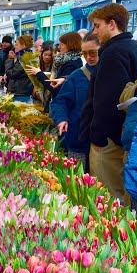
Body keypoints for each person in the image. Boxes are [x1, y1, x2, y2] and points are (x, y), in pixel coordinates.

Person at [80, 3, 137, 205]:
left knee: (107, 199)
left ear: (112, 24)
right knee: (121, 195)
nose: (95, 31)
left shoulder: (113, 52)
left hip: (109, 139)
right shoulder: (135, 48)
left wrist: (100, 137)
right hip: (127, 135)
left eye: (97, 26)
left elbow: (109, 102)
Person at [50, 33, 101, 171]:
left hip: (103, 143)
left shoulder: (111, 73)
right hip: (77, 138)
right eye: (85, 53)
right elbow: (60, 102)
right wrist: (61, 119)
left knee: (100, 185)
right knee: (77, 182)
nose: (89, 57)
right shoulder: (76, 76)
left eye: (93, 53)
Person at [25, 32, 83, 113]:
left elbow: (56, 88)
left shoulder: (72, 63)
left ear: (70, 45)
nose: (59, 47)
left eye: (62, 44)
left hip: (64, 107)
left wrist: (39, 73)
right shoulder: (66, 60)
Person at [5, 34, 34, 103]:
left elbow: (12, 73)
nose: (15, 46)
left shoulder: (25, 57)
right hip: (21, 91)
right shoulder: (24, 56)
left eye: (17, 44)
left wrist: (10, 59)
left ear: (23, 45)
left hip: (20, 92)